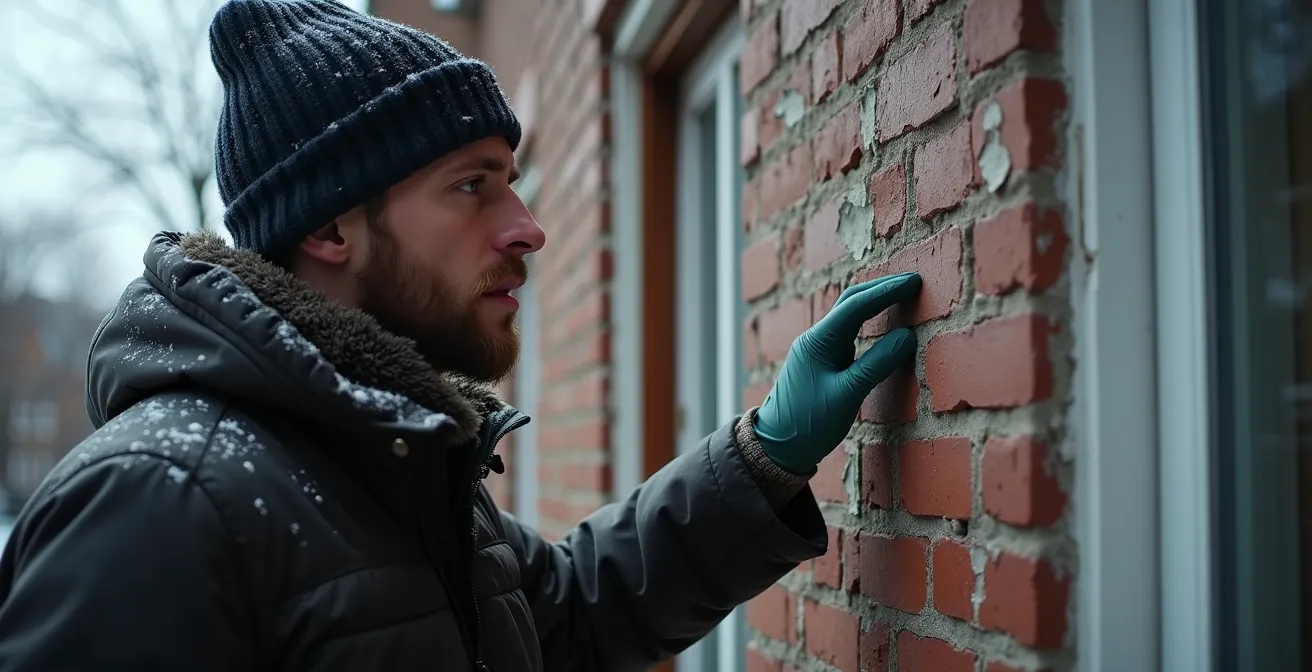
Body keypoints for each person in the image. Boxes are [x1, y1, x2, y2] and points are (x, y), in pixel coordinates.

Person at [0, 1, 922, 670]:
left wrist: (764, 455)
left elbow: (568, 614)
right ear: (329, 229)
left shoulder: (390, 455)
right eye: (473, 185)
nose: (528, 226)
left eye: (512, 181)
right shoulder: (160, 502)